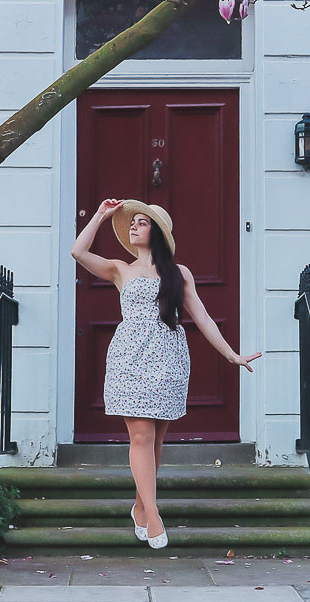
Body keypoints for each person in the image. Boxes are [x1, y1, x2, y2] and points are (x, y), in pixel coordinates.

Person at [71, 197, 261, 549]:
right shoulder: (119, 269)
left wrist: (231, 354)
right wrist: (100, 215)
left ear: (156, 232)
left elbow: (202, 317)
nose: (133, 226)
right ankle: (154, 513)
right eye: (133, 222)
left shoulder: (178, 274)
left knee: (156, 439)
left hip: (169, 358)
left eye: (141, 222)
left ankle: (140, 505)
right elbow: (78, 252)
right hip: (129, 357)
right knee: (140, 436)